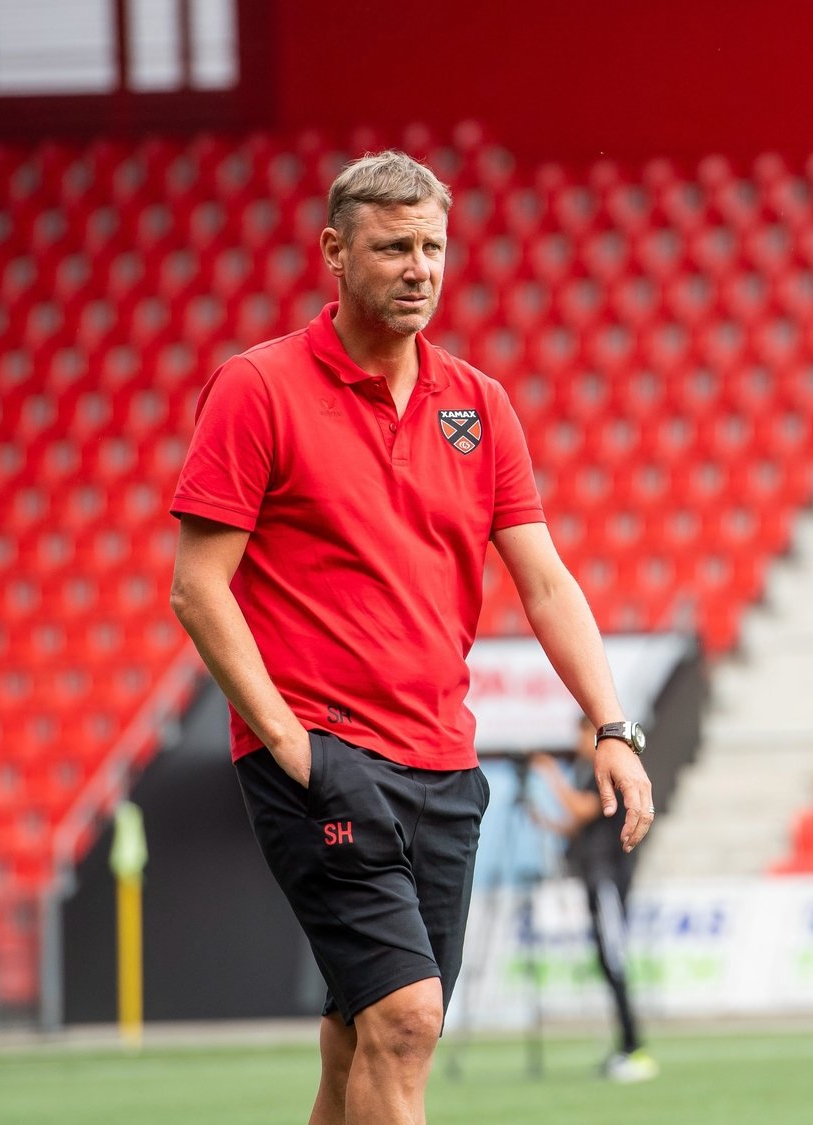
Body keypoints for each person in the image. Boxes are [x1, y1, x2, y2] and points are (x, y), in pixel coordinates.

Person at [168, 150, 654, 1125]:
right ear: (334, 252)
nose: (418, 268)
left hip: (442, 760)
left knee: (364, 1029)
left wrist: (612, 727)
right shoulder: (257, 388)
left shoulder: (478, 403)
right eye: (393, 247)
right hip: (321, 752)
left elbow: (545, 581)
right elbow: (197, 587)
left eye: (432, 246)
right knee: (406, 1021)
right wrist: (286, 738)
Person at [530, 717, 659, 1084]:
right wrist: (543, 821)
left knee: (615, 961)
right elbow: (575, 824)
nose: (578, 742)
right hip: (594, 879)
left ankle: (635, 1047)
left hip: (607, 881)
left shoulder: (607, 773)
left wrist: (551, 775)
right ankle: (625, 1047)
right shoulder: (588, 771)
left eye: (582, 733)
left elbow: (583, 810)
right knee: (607, 961)